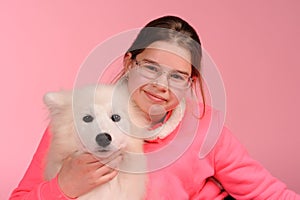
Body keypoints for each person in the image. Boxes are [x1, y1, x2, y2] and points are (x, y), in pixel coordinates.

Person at [10, 15, 300, 200]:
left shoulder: (204, 131)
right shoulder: (77, 121)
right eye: (150, 67)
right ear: (129, 63)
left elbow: (268, 193)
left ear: (190, 82)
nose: (161, 84)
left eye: (177, 76)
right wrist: (63, 187)